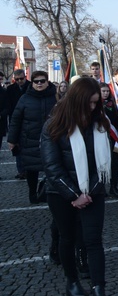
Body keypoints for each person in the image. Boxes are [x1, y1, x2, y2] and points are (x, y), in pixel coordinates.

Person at [40, 77, 115, 296]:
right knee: (68, 238)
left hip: (93, 192)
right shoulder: (54, 124)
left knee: (93, 240)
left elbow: (103, 163)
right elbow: (52, 167)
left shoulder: (100, 123)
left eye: (96, 103)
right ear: (77, 100)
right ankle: (72, 281)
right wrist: (74, 195)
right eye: (90, 103)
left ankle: (99, 292)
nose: (93, 108)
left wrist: (89, 191)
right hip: (61, 193)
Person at [8, 70, 57, 204]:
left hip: (52, 139)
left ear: (47, 82)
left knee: (53, 168)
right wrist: (12, 140)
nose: (39, 84)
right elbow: (16, 119)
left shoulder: (56, 97)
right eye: (36, 81)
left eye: (42, 81)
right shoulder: (25, 98)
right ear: (33, 83)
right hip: (30, 139)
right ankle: (32, 193)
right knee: (32, 170)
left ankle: (51, 193)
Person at [6, 69, 31, 179]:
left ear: (25, 77)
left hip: (29, 119)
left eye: (21, 79)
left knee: (29, 146)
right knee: (17, 146)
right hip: (16, 120)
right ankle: (21, 170)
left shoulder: (31, 86)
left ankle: (29, 169)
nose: (19, 81)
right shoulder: (10, 89)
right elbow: (8, 105)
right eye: (17, 79)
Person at [100, 83, 118, 198]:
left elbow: (117, 120)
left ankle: (114, 186)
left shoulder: (113, 104)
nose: (105, 93)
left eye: (107, 91)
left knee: (114, 163)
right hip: (101, 137)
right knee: (102, 163)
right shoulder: (95, 105)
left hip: (113, 137)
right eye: (103, 91)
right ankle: (101, 187)